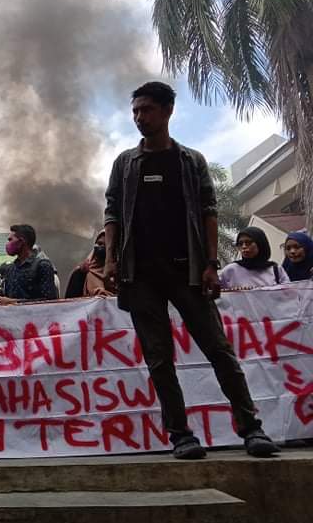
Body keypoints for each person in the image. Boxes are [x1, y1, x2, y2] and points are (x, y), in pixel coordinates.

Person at [104, 81, 278, 460]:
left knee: (219, 350)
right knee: (159, 359)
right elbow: (113, 213)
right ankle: (181, 435)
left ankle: (252, 429)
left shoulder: (191, 161)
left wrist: (211, 264)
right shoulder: (125, 164)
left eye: (146, 110)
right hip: (142, 276)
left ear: (168, 111)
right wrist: (112, 259)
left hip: (189, 272)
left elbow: (208, 213)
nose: (139, 118)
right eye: (135, 111)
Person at [0, 224, 59, 302]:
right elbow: (0, 295)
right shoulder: (10, 269)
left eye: (10, 240)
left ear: (21, 241)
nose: (8, 244)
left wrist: (13, 301)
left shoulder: (42, 266)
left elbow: (49, 301)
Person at [219, 228, 288, 290]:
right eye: (240, 243)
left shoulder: (276, 270)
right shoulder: (230, 270)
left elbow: (289, 295)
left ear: (260, 243)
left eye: (248, 242)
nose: (244, 246)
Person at [66, 232, 116, 298]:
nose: (100, 247)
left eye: (106, 245)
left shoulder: (118, 274)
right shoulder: (81, 272)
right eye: (99, 243)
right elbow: (71, 303)